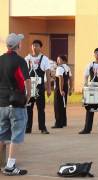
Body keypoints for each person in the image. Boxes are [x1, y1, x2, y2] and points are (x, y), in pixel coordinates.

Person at [0, 33, 30, 175]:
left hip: (2, 103)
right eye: (20, 42)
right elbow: (27, 80)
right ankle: (10, 166)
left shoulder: (0, 60)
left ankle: (1, 163)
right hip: (16, 102)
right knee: (17, 135)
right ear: (18, 45)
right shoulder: (20, 60)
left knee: (1, 134)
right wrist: (28, 96)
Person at [25, 40, 51, 134]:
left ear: (40, 47)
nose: (35, 47)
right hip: (29, 87)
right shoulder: (27, 58)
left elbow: (48, 74)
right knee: (28, 108)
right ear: (31, 47)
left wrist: (48, 88)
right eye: (33, 45)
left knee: (41, 108)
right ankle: (28, 128)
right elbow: (23, 74)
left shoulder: (44, 59)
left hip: (39, 87)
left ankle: (42, 128)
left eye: (37, 45)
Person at [52, 55, 73, 128]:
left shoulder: (59, 68)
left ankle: (58, 123)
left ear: (64, 60)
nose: (57, 61)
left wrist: (60, 90)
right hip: (65, 87)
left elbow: (61, 79)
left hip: (59, 88)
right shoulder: (67, 67)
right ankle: (63, 122)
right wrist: (70, 89)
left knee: (57, 106)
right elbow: (70, 78)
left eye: (59, 60)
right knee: (63, 105)